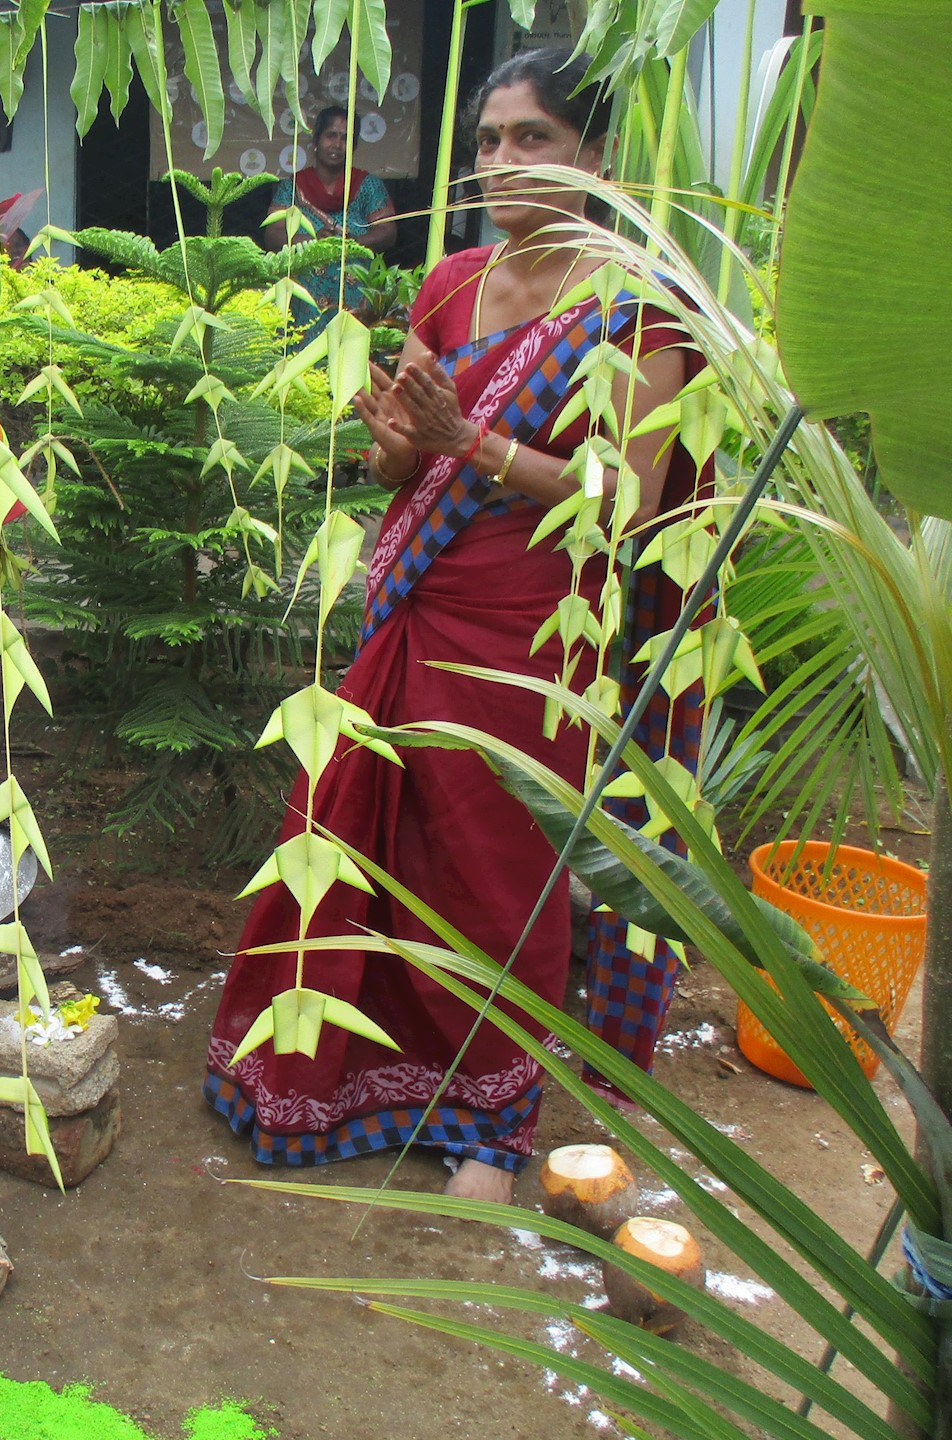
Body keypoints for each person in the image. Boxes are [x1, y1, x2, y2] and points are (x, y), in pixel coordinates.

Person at [205, 49, 706, 1204]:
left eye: (531, 138)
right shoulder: (450, 281)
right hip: (414, 600)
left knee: (491, 864)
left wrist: (467, 442)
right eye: (486, 141)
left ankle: (488, 1124)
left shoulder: (634, 308)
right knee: (356, 829)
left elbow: (621, 500)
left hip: (535, 631)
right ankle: (328, 1079)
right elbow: (402, 462)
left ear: (596, 159)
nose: (500, 163)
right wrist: (388, 426)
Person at [260, 104, 399, 339]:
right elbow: (272, 234)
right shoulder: (293, 187)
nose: (337, 145)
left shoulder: (368, 185)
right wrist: (314, 241)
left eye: (345, 138)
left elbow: (388, 231)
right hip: (305, 302)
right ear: (316, 141)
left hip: (355, 298)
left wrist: (353, 242)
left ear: (354, 146)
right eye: (331, 135)